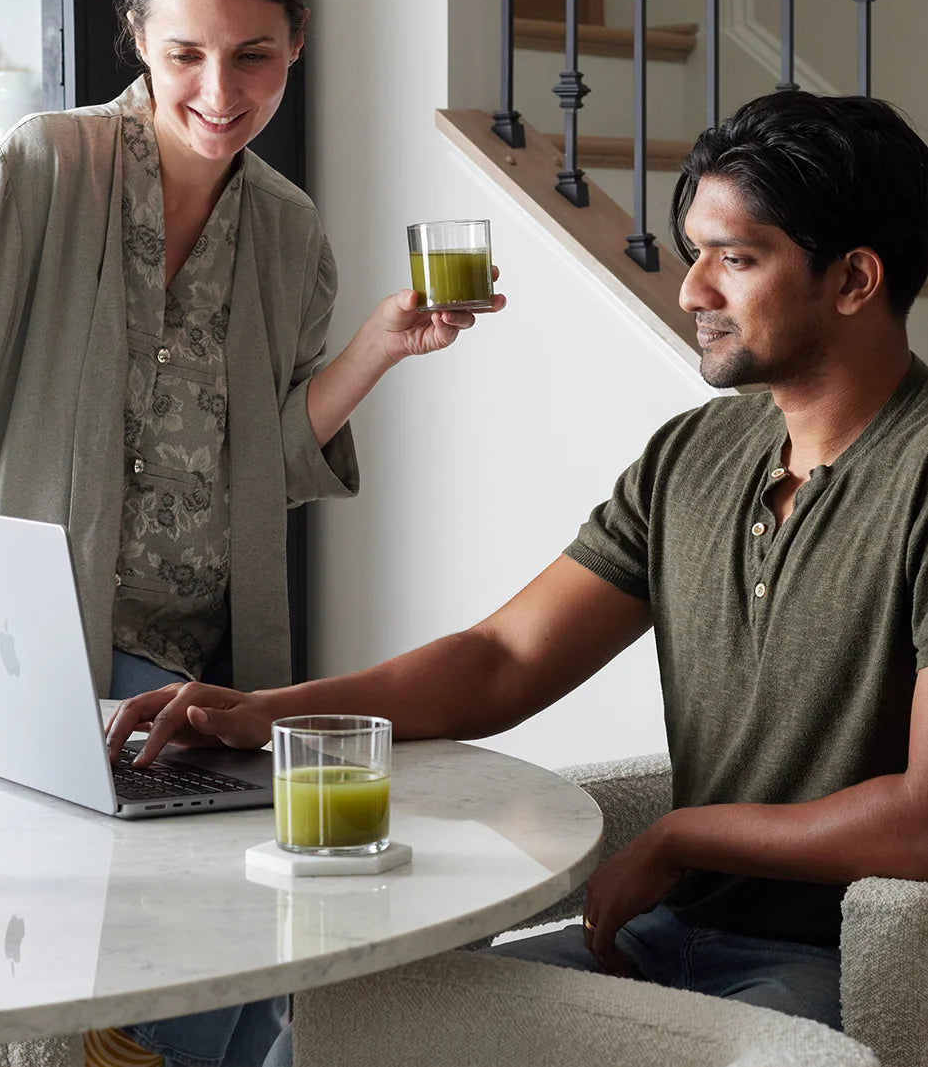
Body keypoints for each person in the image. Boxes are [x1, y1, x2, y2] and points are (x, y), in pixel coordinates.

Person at [0, 0, 503, 1064]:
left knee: (271, 926)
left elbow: (256, 462)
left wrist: (373, 348)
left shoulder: (287, 229)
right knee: (243, 936)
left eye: (254, 56)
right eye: (186, 56)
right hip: (32, 647)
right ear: (137, 39)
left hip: (191, 663)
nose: (220, 91)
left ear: (297, 43)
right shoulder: (39, 168)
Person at [106, 87, 928, 1064]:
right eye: (694, 250)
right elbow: (501, 657)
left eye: (734, 258)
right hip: (654, 938)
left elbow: (917, 820)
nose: (690, 290)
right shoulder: (691, 457)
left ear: (852, 279)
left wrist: (677, 837)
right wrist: (263, 711)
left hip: (831, 958)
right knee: (345, 1027)